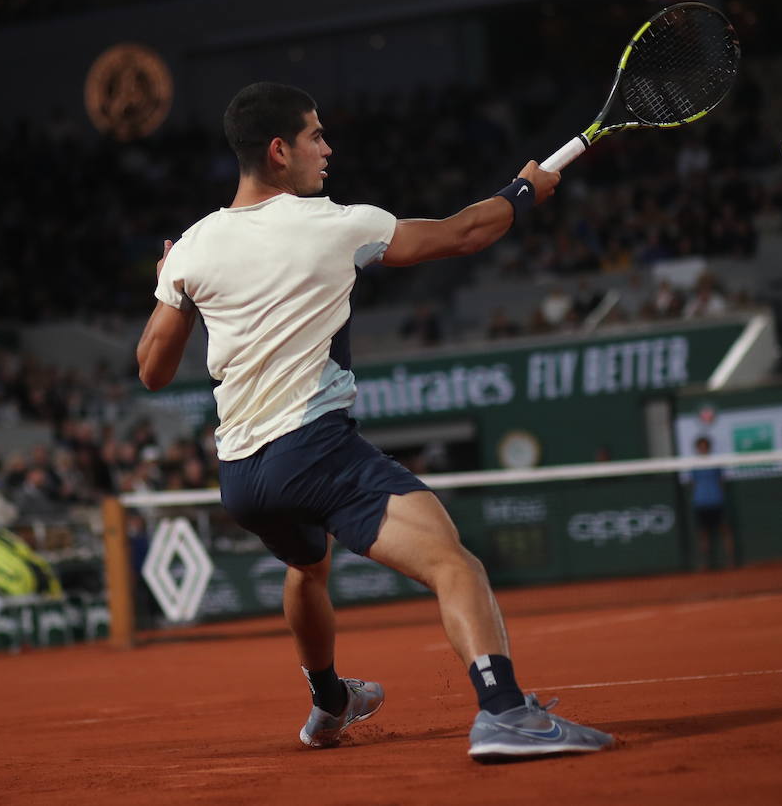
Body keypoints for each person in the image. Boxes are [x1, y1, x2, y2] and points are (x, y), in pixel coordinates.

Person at [135, 82, 611, 761]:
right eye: (315, 136)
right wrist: (525, 190)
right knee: (454, 563)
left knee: (308, 565)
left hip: (242, 478)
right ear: (278, 151)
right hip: (314, 451)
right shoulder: (335, 223)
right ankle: (506, 714)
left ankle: (330, 702)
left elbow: (152, 370)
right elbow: (463, 233)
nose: (327, 149)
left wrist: (168, 281)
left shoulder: (192, 247)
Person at [688, 437, 734, 570]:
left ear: (708, 447)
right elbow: (693, 482)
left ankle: (730, 561)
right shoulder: (694, 464)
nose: (703, 449)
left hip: (716, 501)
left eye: (705, 446)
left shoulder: (716, 462)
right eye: (700, 447)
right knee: (703, 533)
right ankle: (705, 564)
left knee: (725, 530)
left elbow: (721, 479)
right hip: (701, 503)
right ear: (697, 449)